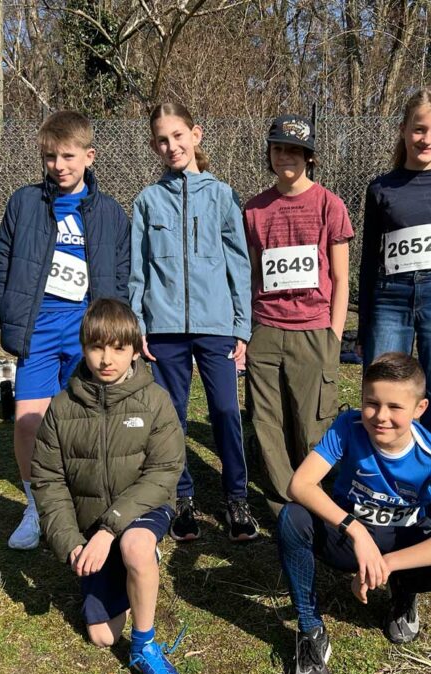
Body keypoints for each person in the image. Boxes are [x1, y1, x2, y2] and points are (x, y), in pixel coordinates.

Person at [277, 352, 431, 674]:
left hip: (402, 543)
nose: (380, 416)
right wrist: (356, 531)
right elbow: (299, 485)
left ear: (419, 409)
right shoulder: (349, 426)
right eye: (371, 403)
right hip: (349, 540)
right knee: (292, 518)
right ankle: (310, 629)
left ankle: (403, 589)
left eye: (395, 407)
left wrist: (387, 564)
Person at [31, 299, 188, 674]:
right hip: (90, 523)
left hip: (144, 507)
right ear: (83, 347)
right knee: (102, 637)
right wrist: (71, 543)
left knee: (135, 545)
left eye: (119, 348)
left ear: (135, 350)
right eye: (97, 347)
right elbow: (48, 482)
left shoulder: (155, 401)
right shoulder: (61, 408)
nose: (106, 359)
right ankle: (131, 568)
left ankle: (145, 646)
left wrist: (109, 530)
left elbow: (164, 471)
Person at [0, 110, 130, 551]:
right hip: (38, 329)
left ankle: (83, 504)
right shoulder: (24, 203)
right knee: (28, 420)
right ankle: (37, 506)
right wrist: (3, 309)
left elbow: (122, 273)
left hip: (86, 332)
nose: (59, 165)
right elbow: (2, 258)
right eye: (50, 156)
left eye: (68, 156)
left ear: (89, 156)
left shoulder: (110, 213)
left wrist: (113, 328)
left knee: (84, 423)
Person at [129, 101, 257, 543]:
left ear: (195, 134)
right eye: (162, 140)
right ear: (154, 147)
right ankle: (180, 497)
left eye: (178, 136)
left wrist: (241, 325)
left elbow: (239, 264)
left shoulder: (222, 196)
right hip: (164, 329)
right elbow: (138, 269)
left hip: (216, 326)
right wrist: (140, 324)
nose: (172, 146)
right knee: (171, 418)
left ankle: (236, 498)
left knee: (225, 412)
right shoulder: (147, 201)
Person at [358, 89, 431, 488]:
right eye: (419, 129)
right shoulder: (381, 188)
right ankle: (379, 488)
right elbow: (369, 259)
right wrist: (365, 325)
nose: (427, 139)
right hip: (389, 298)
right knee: (382, 398)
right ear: (403, 129)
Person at [242, 114, 353, 517]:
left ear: (309, 157)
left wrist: (334, 336)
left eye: (294, 149)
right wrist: (249, 330)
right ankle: (284, 507)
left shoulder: (329, 205)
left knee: (313, 424)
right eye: (278, 149)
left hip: (314, 331)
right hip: (266, 330)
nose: (285, 156)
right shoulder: (254, 210)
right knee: (267, 423)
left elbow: (341, 278)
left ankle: (318, 501)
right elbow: (252, 274)